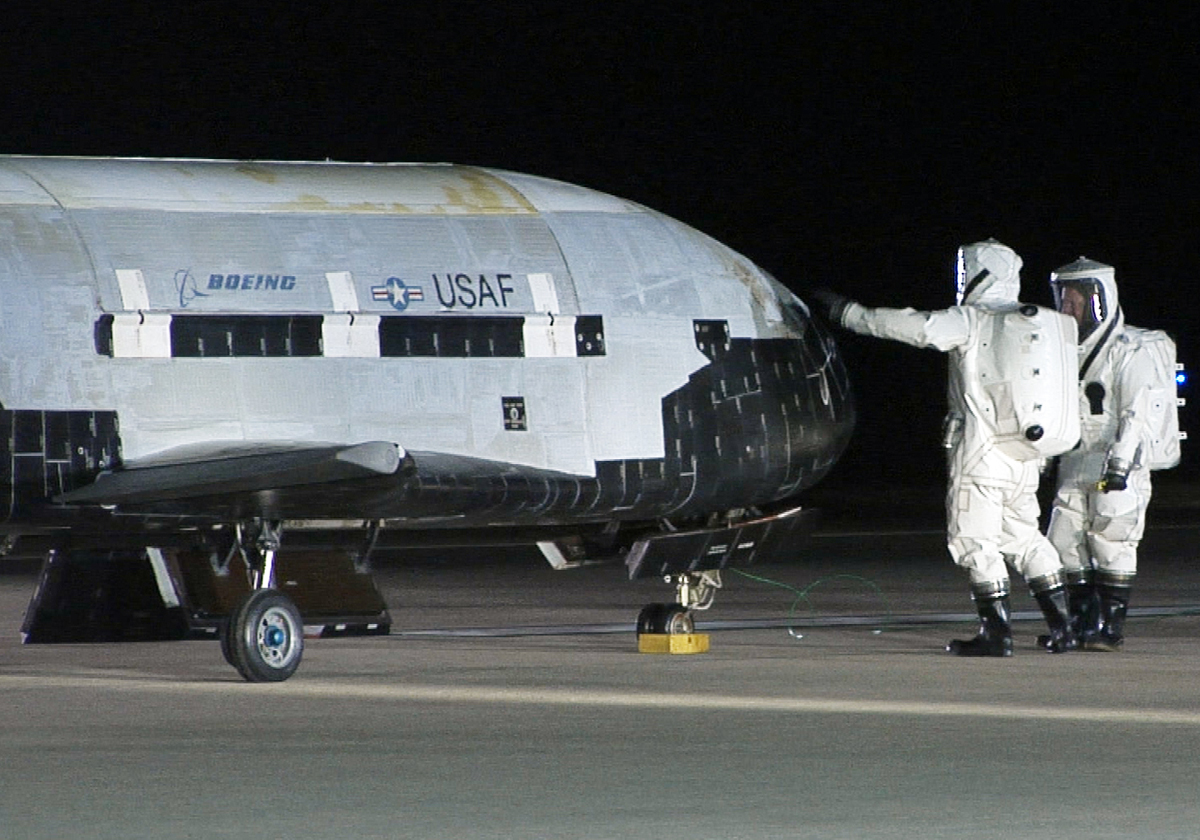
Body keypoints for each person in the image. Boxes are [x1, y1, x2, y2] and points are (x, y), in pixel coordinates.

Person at [814, 239, 1079, 656]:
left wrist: (849, 314)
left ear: (975, 273)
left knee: (973, 540)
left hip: (980, 456)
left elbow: (915, 327)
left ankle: (996, 635)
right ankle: (1065, 628)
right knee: (1026, 539)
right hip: (1025, 459)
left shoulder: (973, 320)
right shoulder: (1028, 324)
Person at [1046, 258, 1160, 651]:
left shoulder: (1129, 350)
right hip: (1075, 459)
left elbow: (1135, 413)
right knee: (1063, 540)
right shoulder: (1063, 351)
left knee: (1111, 541)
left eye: (1075, 301)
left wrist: (1120, 466)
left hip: (1118, 461)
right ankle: (1082, 623)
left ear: (1098, 299)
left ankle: (1110, 628)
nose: (1067, 309)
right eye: (1063, 299)